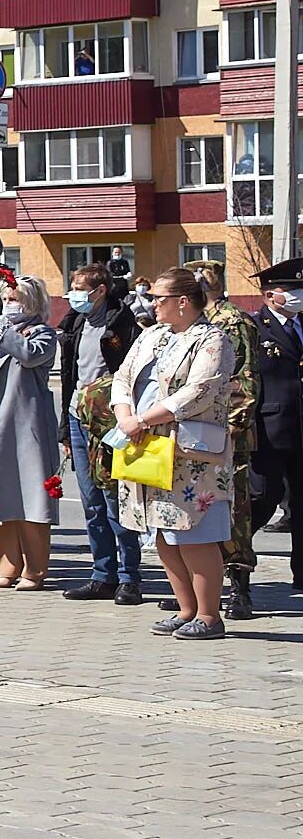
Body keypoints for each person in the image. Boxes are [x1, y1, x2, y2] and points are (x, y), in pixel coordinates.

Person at [113, 267, 237, 639]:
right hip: (146, 443)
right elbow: (122, 376)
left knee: (194, 533)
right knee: (163, 531)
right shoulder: (151, 336)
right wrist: (125, 416)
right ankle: (186, 610)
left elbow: (199, 390)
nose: (152, 304)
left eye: (158, 298)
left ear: (182, 302)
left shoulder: (212, 339)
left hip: (190, 451)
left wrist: (144, 419)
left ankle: (210, 616)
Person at [58, 261, 144, 603]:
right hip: (78, 420)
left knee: (115, 500)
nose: (76, 296)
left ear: (101, 291)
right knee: (91, 501)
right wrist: (65, 430)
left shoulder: (121, 324)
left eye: (82, 290)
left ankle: (129, 577)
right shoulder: (76, 323)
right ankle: (101, 574)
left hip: (109, 423)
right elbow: (68, 376)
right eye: (74, 289)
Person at [0, 270, 61, 589]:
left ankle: (34, 571)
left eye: (15, 300)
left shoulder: (43, 333)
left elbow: (29, 354)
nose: (8, 305)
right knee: (2, 498)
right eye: (6, 299)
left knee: (31, 499)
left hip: (25, 426)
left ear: (32, 302)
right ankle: (7, 567)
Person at [186, 259, 263, 621]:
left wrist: (226, 436)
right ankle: (201, 594)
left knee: (235, 515)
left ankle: (239, 589)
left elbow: (245, 384)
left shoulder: (232, 321)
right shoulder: (189, 327)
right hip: (191, 436)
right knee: (198, 514)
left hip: (225, 439)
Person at [252, 257, 303, 583]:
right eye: (294, 290)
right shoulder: (254, 327)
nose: (300, 296)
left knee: (301, 506)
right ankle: (228, 559)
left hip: (300, 430)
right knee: (263, 499)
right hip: (269, 430)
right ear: (271, 295)